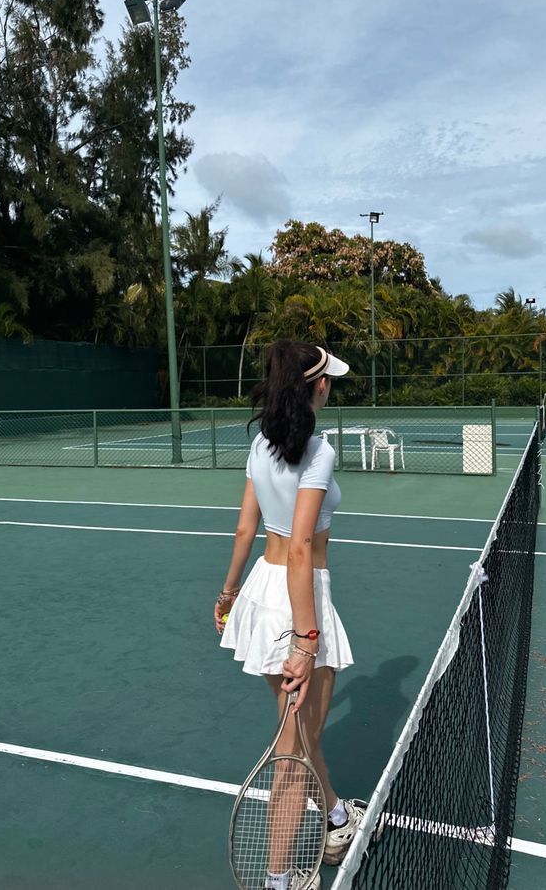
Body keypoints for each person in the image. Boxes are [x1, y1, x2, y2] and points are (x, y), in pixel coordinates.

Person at [215, 340, 367, 890]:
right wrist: (306, 641)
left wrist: (229, 594)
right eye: (329, 379)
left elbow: (245, 529)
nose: (331, 385)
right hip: (299, 601)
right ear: (316, 387)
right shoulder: (320, 453)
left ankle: (336, 820)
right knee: (290, 757)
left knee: (303, 734)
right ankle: (278, 881)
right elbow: (302, 549)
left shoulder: (260, 443)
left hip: (261, 591)